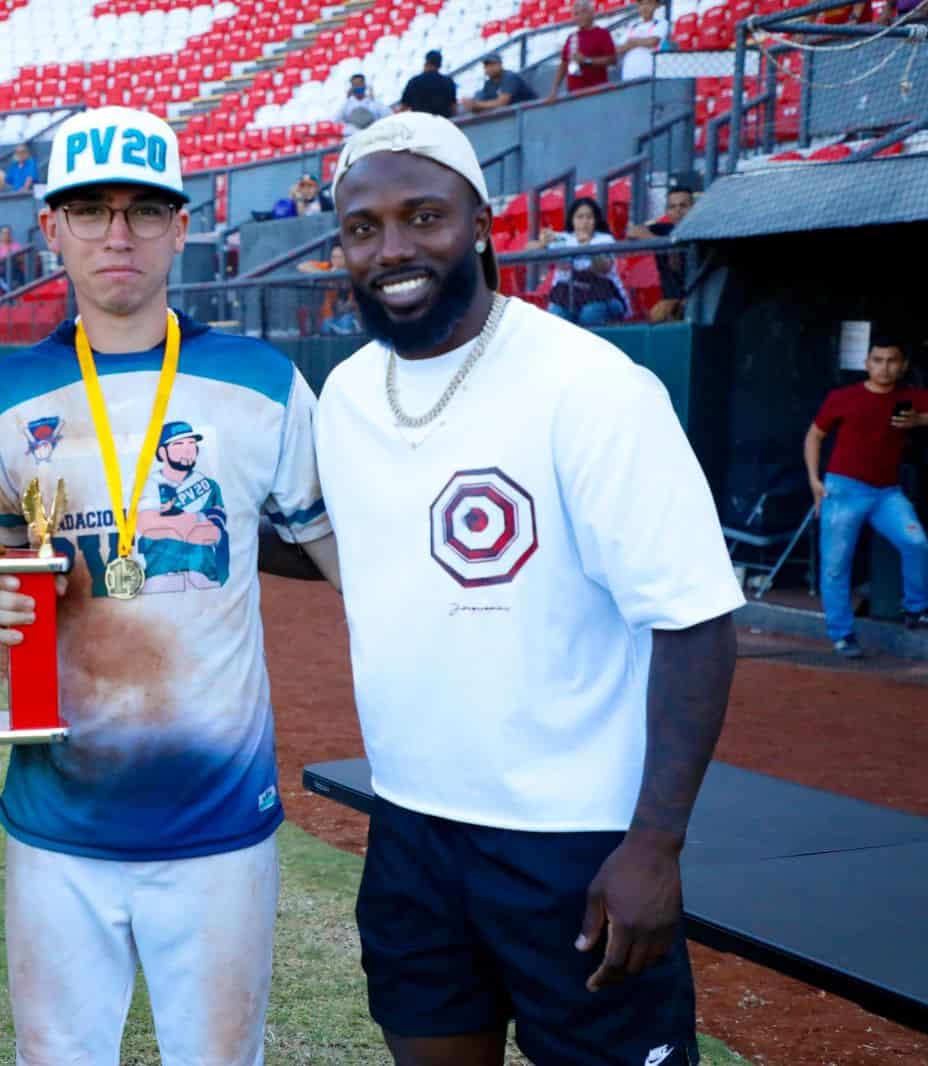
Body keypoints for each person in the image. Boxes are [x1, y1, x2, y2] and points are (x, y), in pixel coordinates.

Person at [317, 111, 743, 1066]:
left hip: (573, 840)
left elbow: (695, 621)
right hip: (411, 825)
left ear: (481, 224)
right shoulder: (345, 394)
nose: (393, 248)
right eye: (362, 227)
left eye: (423, 216)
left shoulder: (591, 386)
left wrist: (655, 847)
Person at [0, 105, 338, 1066]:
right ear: (50, 230)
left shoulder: (263, 381)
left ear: (184, 227)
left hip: (217, 821)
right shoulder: (1, 398)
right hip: (57, 820)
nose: (119, 235)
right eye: (90, 212)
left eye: (145, 211)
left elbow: (349, 565)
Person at [803, 339, 928, 656]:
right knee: (835, 565)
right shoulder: (844, 397)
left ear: (902, 366)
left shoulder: (910, 398)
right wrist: (814, 481)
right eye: (877, 360)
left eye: (891, 361)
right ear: (867, 363)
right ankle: (842, 634)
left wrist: (922, 420)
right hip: (843, 489)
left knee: (916, 542)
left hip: (887, 492)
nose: (884, 367)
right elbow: (814, 435)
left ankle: (915, 608)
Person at [525, 196, 628, 326]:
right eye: (580, 217)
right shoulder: (563, 238)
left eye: (589, 217)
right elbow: (528, 249)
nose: (584, 222)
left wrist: (587, 247)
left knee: (590, 314)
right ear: (572, 220)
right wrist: (542, 243)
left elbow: (603, 268)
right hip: (567, 297)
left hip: (603, 296)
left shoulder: (604, 239)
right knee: (556, 314)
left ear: (596, 220)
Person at [627, 186, 694, 322]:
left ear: (694, 208)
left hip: (696, 299)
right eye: (672, 207)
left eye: (683, 205)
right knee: (656, 316)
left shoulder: (703, 231)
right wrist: (662, 243)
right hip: (669, 300)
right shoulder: (663, 230)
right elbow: (632, 231)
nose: (678, 210)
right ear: (666, 212)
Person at [549, 0, 618, 99]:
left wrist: (587, 60)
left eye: (583, 12)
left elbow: (612, 60)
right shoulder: (571, 37)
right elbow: (563, 65)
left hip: (597, 93)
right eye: (576, 14)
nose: (579, 16)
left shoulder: (602, 34)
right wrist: (554, 90)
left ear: (591, 13)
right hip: (574, 94)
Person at [461, 54, 538, 113]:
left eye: (492, 64)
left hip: (534, 112)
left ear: (500, 65)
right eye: (487, 65)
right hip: (515, 117)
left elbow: (502, 102)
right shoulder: (488, 84)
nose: (490, 68)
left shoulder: (509, 77)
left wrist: (477, 104)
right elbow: (482, 104)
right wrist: (471, 105)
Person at [616, 0, 670, 81]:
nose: (645, 7)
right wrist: (641, 42)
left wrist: (632, 42)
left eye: (649, 3)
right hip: (628, 76)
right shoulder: (632, 26)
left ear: (656, 5)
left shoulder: (661, 23)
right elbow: (618, 49)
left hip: (648, 76)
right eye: (641, 4)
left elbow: (653, 41)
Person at [397, 50, 458, 117]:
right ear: (440, 65)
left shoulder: (414, 81)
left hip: (420, 123)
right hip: (442, 124)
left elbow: (403, 107)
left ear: (426, 63)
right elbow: (454, 109)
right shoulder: (448, 82)